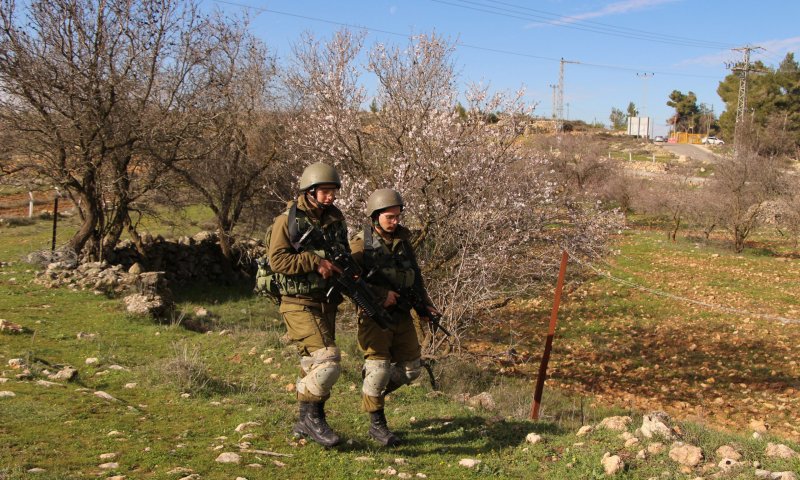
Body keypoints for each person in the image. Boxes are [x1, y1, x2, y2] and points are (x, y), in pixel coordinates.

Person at [268, 162, 349, 447]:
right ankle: (313, 421)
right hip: (297, 302)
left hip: (326, 302)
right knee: (327, 362)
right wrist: (315, 261)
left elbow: (343, 255)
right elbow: (277, 261)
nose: (330, 197)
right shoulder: (287, 220)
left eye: (333, 191)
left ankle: (307, 421)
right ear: (310, 190)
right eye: (325, 191)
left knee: (311, 363)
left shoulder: (335, 220)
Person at [349, 188, 438, 447]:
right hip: (374, 317)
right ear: (375, 216)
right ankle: (377, 425)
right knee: (378, 369)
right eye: (390, 217)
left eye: (398, 216)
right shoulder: (360, 243)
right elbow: (351, 282)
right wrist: (379, 295)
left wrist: (425, 306)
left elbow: (415, 277)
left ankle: (371, 391)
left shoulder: (403, 242)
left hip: (401, 315)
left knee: (412, 369)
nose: (395, 221)